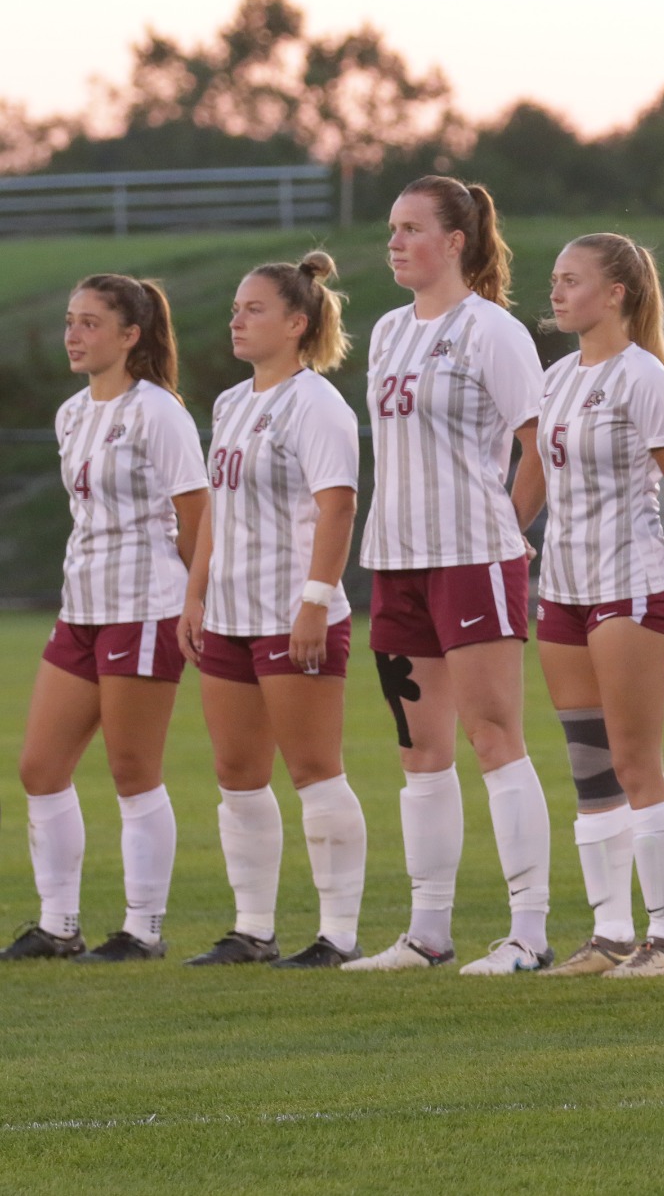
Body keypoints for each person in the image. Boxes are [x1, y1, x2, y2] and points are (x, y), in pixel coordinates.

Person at [342, 176, 555, 976]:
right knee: (417, 750)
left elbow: (538, 448)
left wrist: (511, 530)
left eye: (411, 228)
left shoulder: (492, 330)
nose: (395, 242)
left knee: (494, 736)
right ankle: (427, 930)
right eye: (391, 229)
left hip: (471, 557)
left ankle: (528, 932)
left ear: (456, 241)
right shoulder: (392, 329)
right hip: (396, 562)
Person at [1, 276, 207, 963]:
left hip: (144, 607)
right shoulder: (70, 414)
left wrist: (195, 599)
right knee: (40, 765)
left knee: (131, 767)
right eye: (70, 321)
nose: (73, 334)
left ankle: (142, 930)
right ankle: (58, 925)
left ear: (130, 335)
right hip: (81, 608)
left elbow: (196, 518)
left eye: (90, 323)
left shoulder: (159, 412)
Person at [178, 253, 367, 969]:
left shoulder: (315, 402)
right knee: (236, 770)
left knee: (314, 767)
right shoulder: (231, 403)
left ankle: (338, 934)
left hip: (294, 612)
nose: (237, 317)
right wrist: (194, 595)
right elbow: (215, 516)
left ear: (297, 323)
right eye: (236, 306)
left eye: (253, 308)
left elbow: (338, 504)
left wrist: (316, 601)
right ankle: (252, 928)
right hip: (229, 614)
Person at [533, 234, 664, 978]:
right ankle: (608, 935)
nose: (558, 292)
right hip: (564, 588)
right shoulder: (557, 377)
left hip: (628, 583)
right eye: (556, 280)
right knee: (589, 765)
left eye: (573, 280)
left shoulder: (645, 377)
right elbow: (532, 476)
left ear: (617, 294)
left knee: (637, 762)